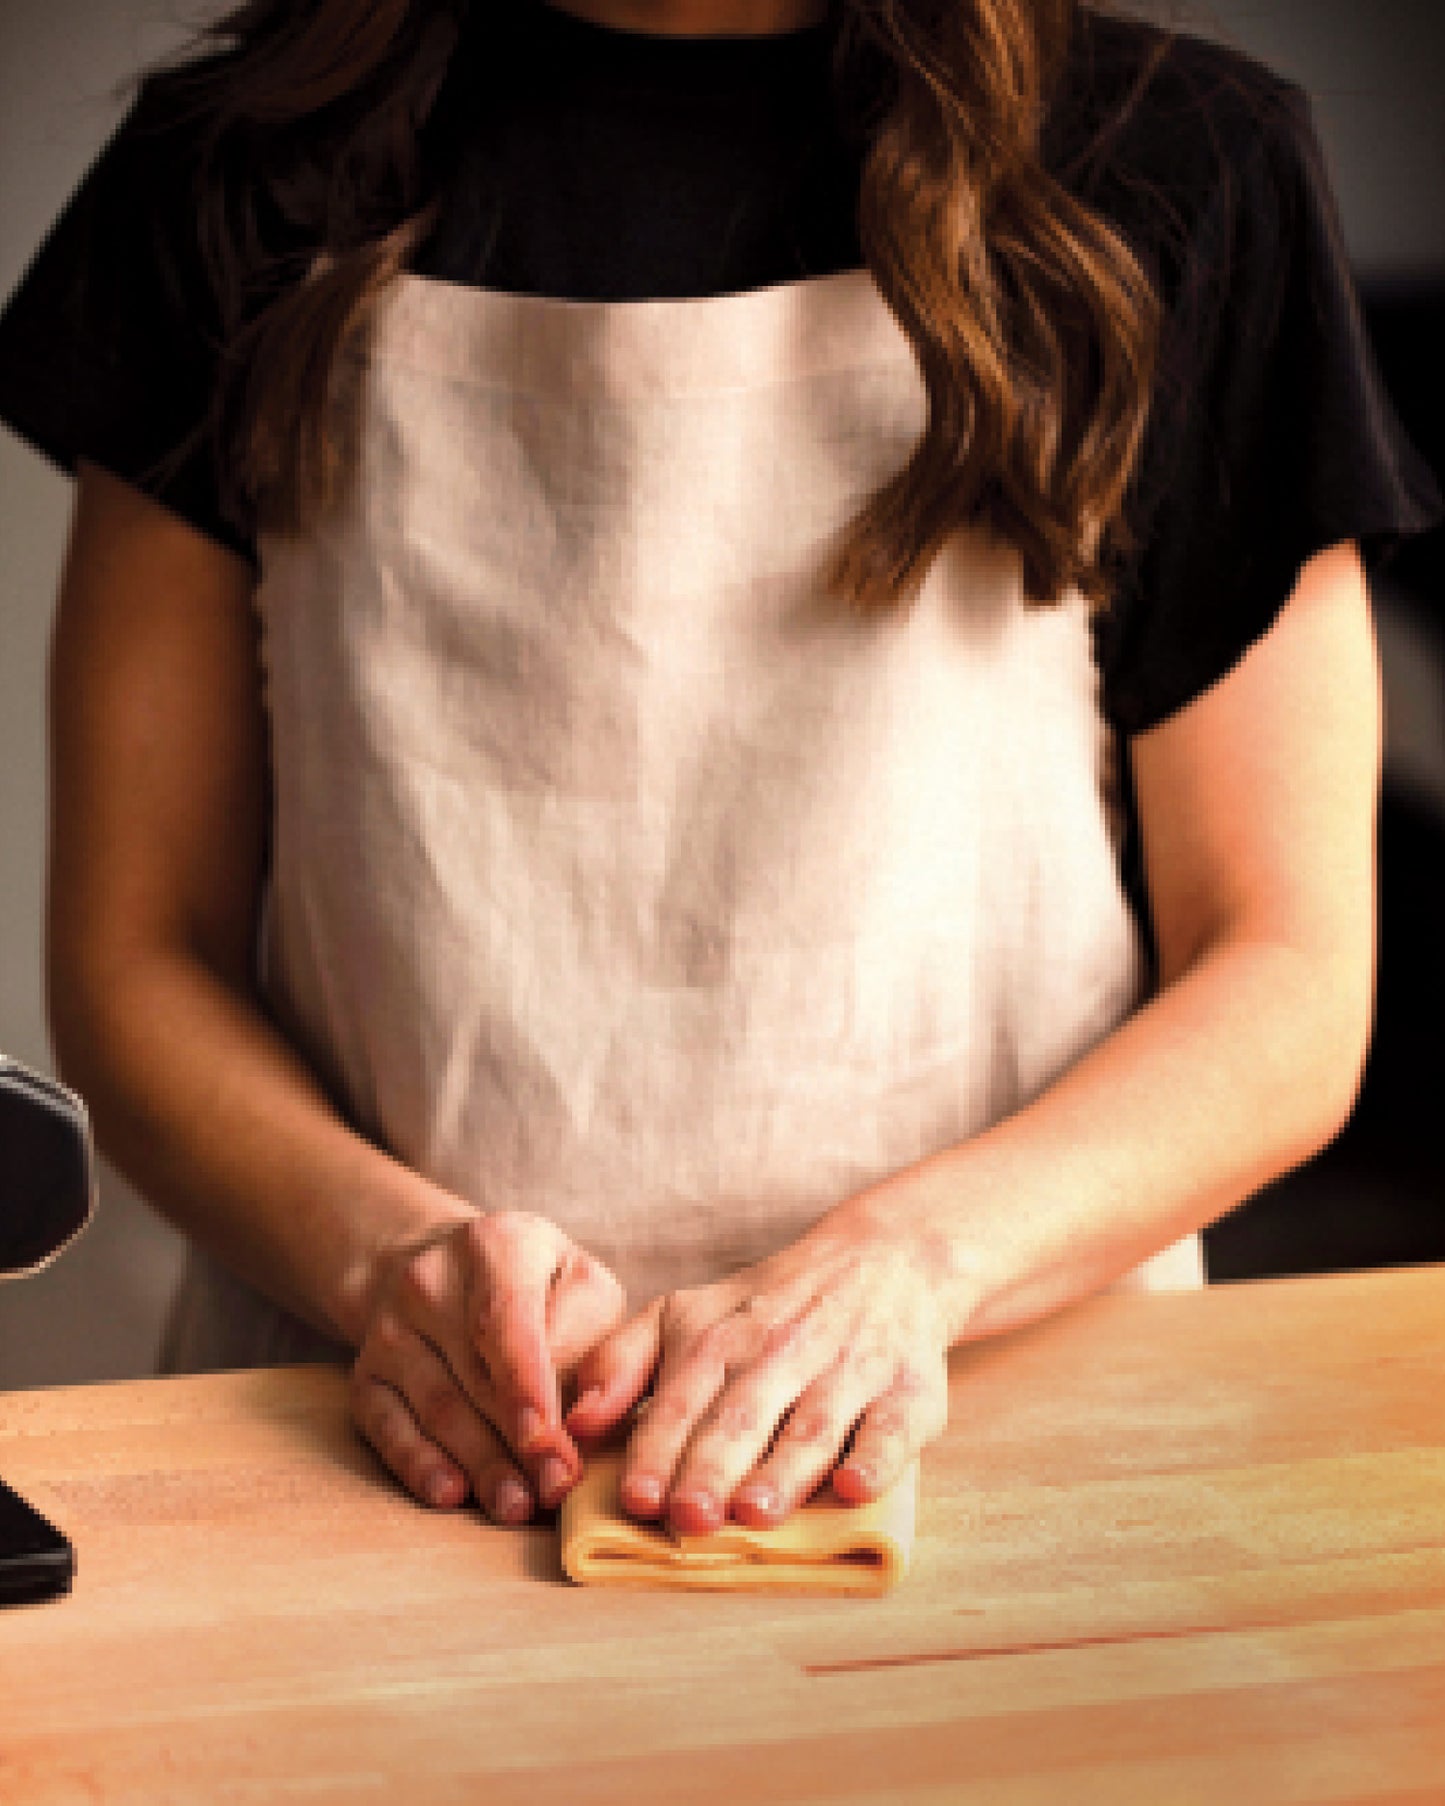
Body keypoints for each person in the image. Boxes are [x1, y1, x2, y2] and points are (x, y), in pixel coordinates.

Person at [0, 0, 1438, 1541]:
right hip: (387, 1447)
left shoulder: (1182, 164)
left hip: (1027, 1437)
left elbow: (1285, 976)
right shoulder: (222, 174)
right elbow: (139, 955)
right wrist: (382, 1262)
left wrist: (915, 1262)